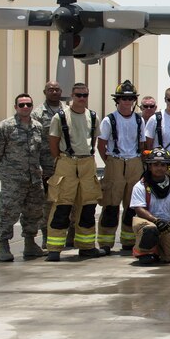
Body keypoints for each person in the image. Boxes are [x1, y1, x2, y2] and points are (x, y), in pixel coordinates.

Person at [0, 93, 53, 261]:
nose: (25, 107)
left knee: (34, 211)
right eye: (21, 105)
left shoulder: (37, 127)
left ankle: (30, 244)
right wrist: (9, 168)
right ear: (16, 107)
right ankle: (4, 245)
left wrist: (47, 171)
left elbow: (44, 152)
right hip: (13, 180)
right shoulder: (5, 127)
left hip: (34, 178)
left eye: (28, 104)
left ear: (32, 107)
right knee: (8, 211)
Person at [46, 82, 101, 261]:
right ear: (72, 96)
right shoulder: (60, 117)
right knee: (62, 206)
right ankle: (54, 248)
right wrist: (61, 160)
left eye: (85, 95)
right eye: (78, 95)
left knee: (88, 207)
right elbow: (53, 142)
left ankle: (86, 246)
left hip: (87, 163)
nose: (82, 98)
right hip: (67, 163)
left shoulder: (93, 116)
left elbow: (94, 141)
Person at [96, 80, 146, 255]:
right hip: (115, 162)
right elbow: (101, 144)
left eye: (131, 98)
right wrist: (110, 162)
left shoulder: (139, 120)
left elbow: (142, 143)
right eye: (124, 99)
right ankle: (105, 242)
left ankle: (128, 240)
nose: (127, 102)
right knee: (110, 204)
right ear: (117, 101)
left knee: (132, 206)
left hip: (134, 162)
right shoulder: (109, 120)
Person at [129, 148, 170, 265]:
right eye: (155, 165)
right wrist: (156, 221)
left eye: (163, 165)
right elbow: (139, 209)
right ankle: (143, 252)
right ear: (149, 166)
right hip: (147, 223)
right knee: (150, 230)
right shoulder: (140, 186)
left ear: (168, 167)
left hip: (166, 225)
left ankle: (159, 249)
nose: (159, 168)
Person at [32, 80, 66, 250]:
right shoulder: (37, 114)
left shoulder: (68, 110)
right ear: (44, 92)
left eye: (57, 89)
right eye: (50, 89)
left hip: (66, 164)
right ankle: (47, 235)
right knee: (48, 203)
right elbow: (33, 141)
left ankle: (69, 235)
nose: (54, 92)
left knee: (68, 200)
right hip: (47, 166)